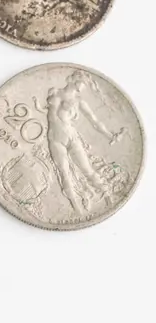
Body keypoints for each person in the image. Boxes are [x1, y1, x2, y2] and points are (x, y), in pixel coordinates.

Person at [45, 70, 124, 215]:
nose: (83, 86)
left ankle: (108, 198)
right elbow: (52, 117)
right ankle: (77, 208)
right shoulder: (55, 93)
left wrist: (110, 136)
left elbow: (94, 121)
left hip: (71, 137)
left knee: (87, 169)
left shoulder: (79, 101)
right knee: (64, 172)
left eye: (86, 83)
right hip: (56, 139)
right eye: (83, 82)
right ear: (74, 79)